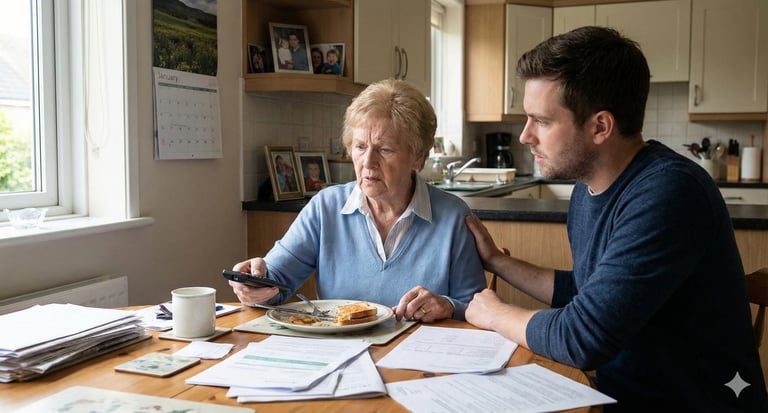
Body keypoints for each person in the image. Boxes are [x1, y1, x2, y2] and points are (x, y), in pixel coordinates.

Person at [464, 26, 768, 412]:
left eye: (540, 120)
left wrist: (494, 313)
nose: (525, 136)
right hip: (615, 395)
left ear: (600, 127)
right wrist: (498, 262)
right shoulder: (588, 187)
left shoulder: (669, 193)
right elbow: (592, 293)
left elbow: (582, 337)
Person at [230, 79, 486, 322]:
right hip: (338, 357)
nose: (368, 162)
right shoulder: (325, 208)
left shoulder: (453, 217)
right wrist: (254, 282)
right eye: (360, 147)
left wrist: (448, 306)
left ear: (418, 158)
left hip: (420, 362)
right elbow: (275, 282)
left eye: (385, 149)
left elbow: (477, 309)